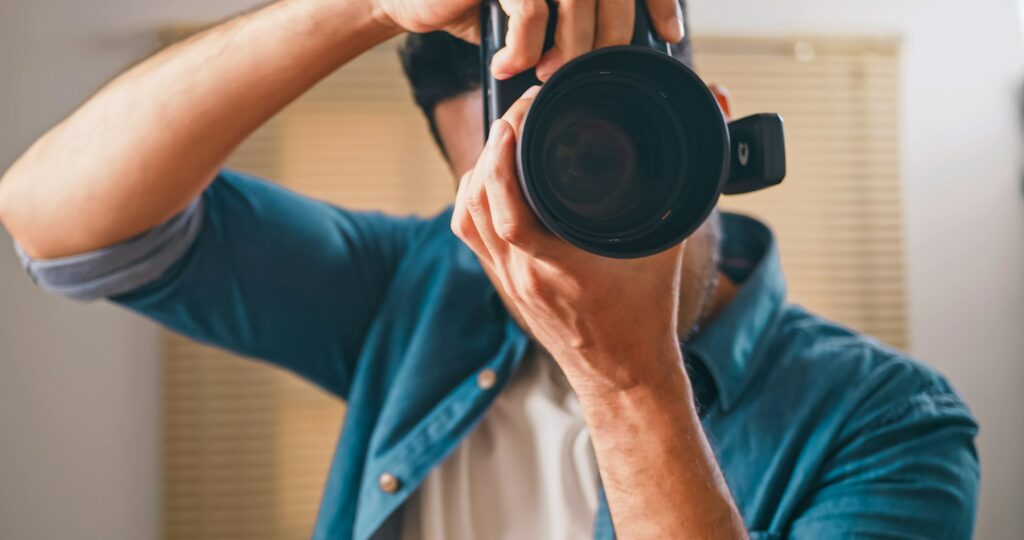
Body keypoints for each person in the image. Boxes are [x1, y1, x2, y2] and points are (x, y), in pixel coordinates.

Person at [0, 0, 979, 538]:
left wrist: (630, 382)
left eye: (605, 157)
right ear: (463, 198)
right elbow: (57, 218)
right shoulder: (416, 287)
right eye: (517, 179)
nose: (576, 214)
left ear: (708, 127)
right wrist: (365, 4)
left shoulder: (887, 425)